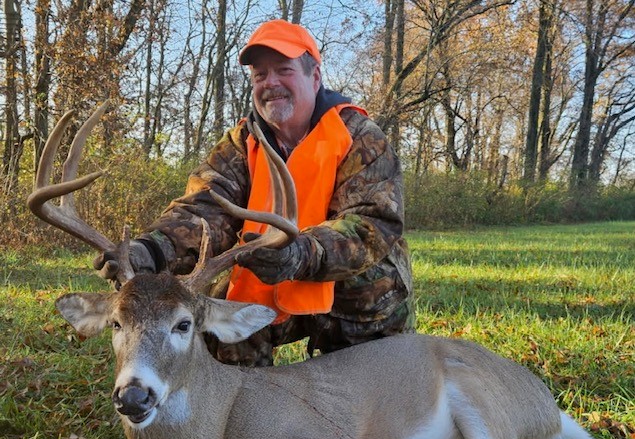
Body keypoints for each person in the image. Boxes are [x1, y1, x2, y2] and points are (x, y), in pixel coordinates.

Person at [95, 19, 414, 366]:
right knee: (216, 313)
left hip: (352, 294)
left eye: (283, 70)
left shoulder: (359, 137)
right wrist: (152, 249)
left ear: (315, 77)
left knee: (375, 367)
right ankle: (245, 392)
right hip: (271, 281)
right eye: (260, 75)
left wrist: (300, 253)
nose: (270, 83)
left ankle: (373, 368)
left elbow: (371, 225)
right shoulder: (240, 144)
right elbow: (203, 210)